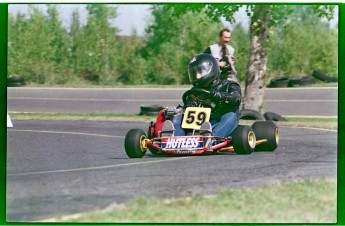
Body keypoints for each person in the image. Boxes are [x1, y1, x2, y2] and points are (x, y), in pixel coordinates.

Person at [161, 53, 241, 143]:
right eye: (194, 73)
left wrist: (219, 95)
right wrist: (178, 110)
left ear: (211, 69)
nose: (197, 76)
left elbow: (236, 98)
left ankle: (211, 138)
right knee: (178, 118)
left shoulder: (228, 85)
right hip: (200, 125)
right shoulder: (195, 90)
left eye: (200, 72)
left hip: (219, 121)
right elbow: (187, 108)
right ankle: (171, 139)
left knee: (230, 115)